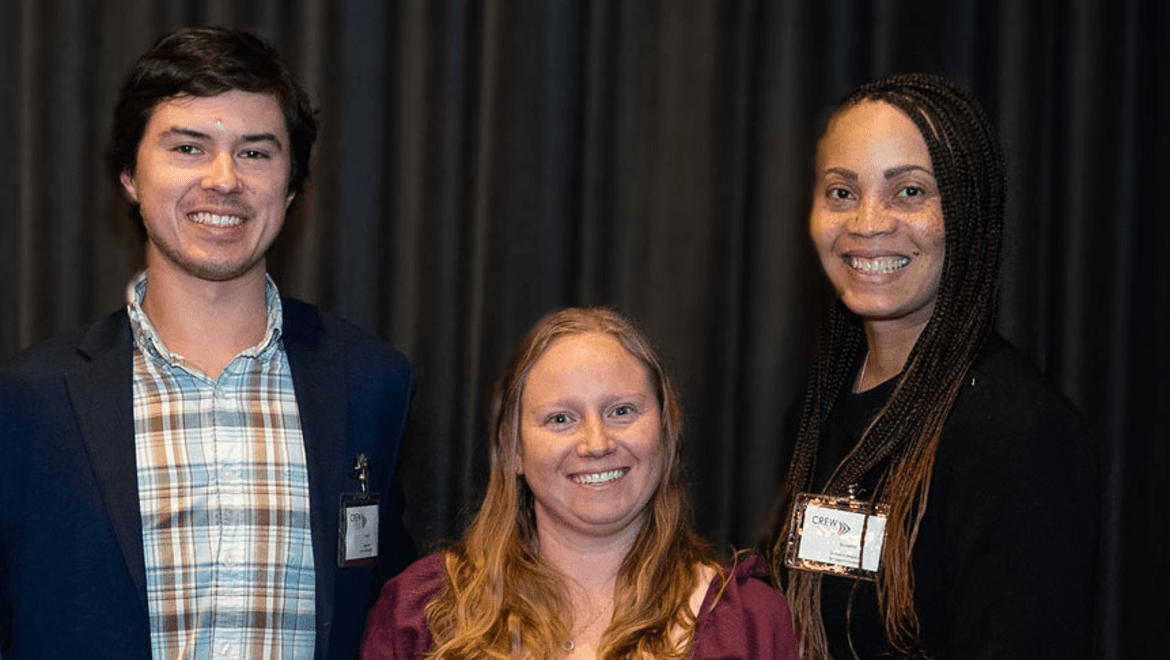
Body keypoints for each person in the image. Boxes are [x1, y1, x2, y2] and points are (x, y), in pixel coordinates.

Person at [0, 27, 414, 658]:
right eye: (189, 148)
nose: (224, 180)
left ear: (292, 185)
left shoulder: (372, 383)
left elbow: (393, 616)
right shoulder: (29, 401)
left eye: (255, 152)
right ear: (130, 176)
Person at [764, 72, 1099, 659]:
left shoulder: (1015, 431)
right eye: (842, 192)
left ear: (968, 213)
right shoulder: (818, 409)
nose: (868, 222)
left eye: (910, 192)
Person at [362, 307, 798, 660]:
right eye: (560, 419)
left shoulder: (751, 624)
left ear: (667, 430)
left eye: (622, 411)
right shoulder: (418, 616)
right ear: (513, 450)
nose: (596, 443)